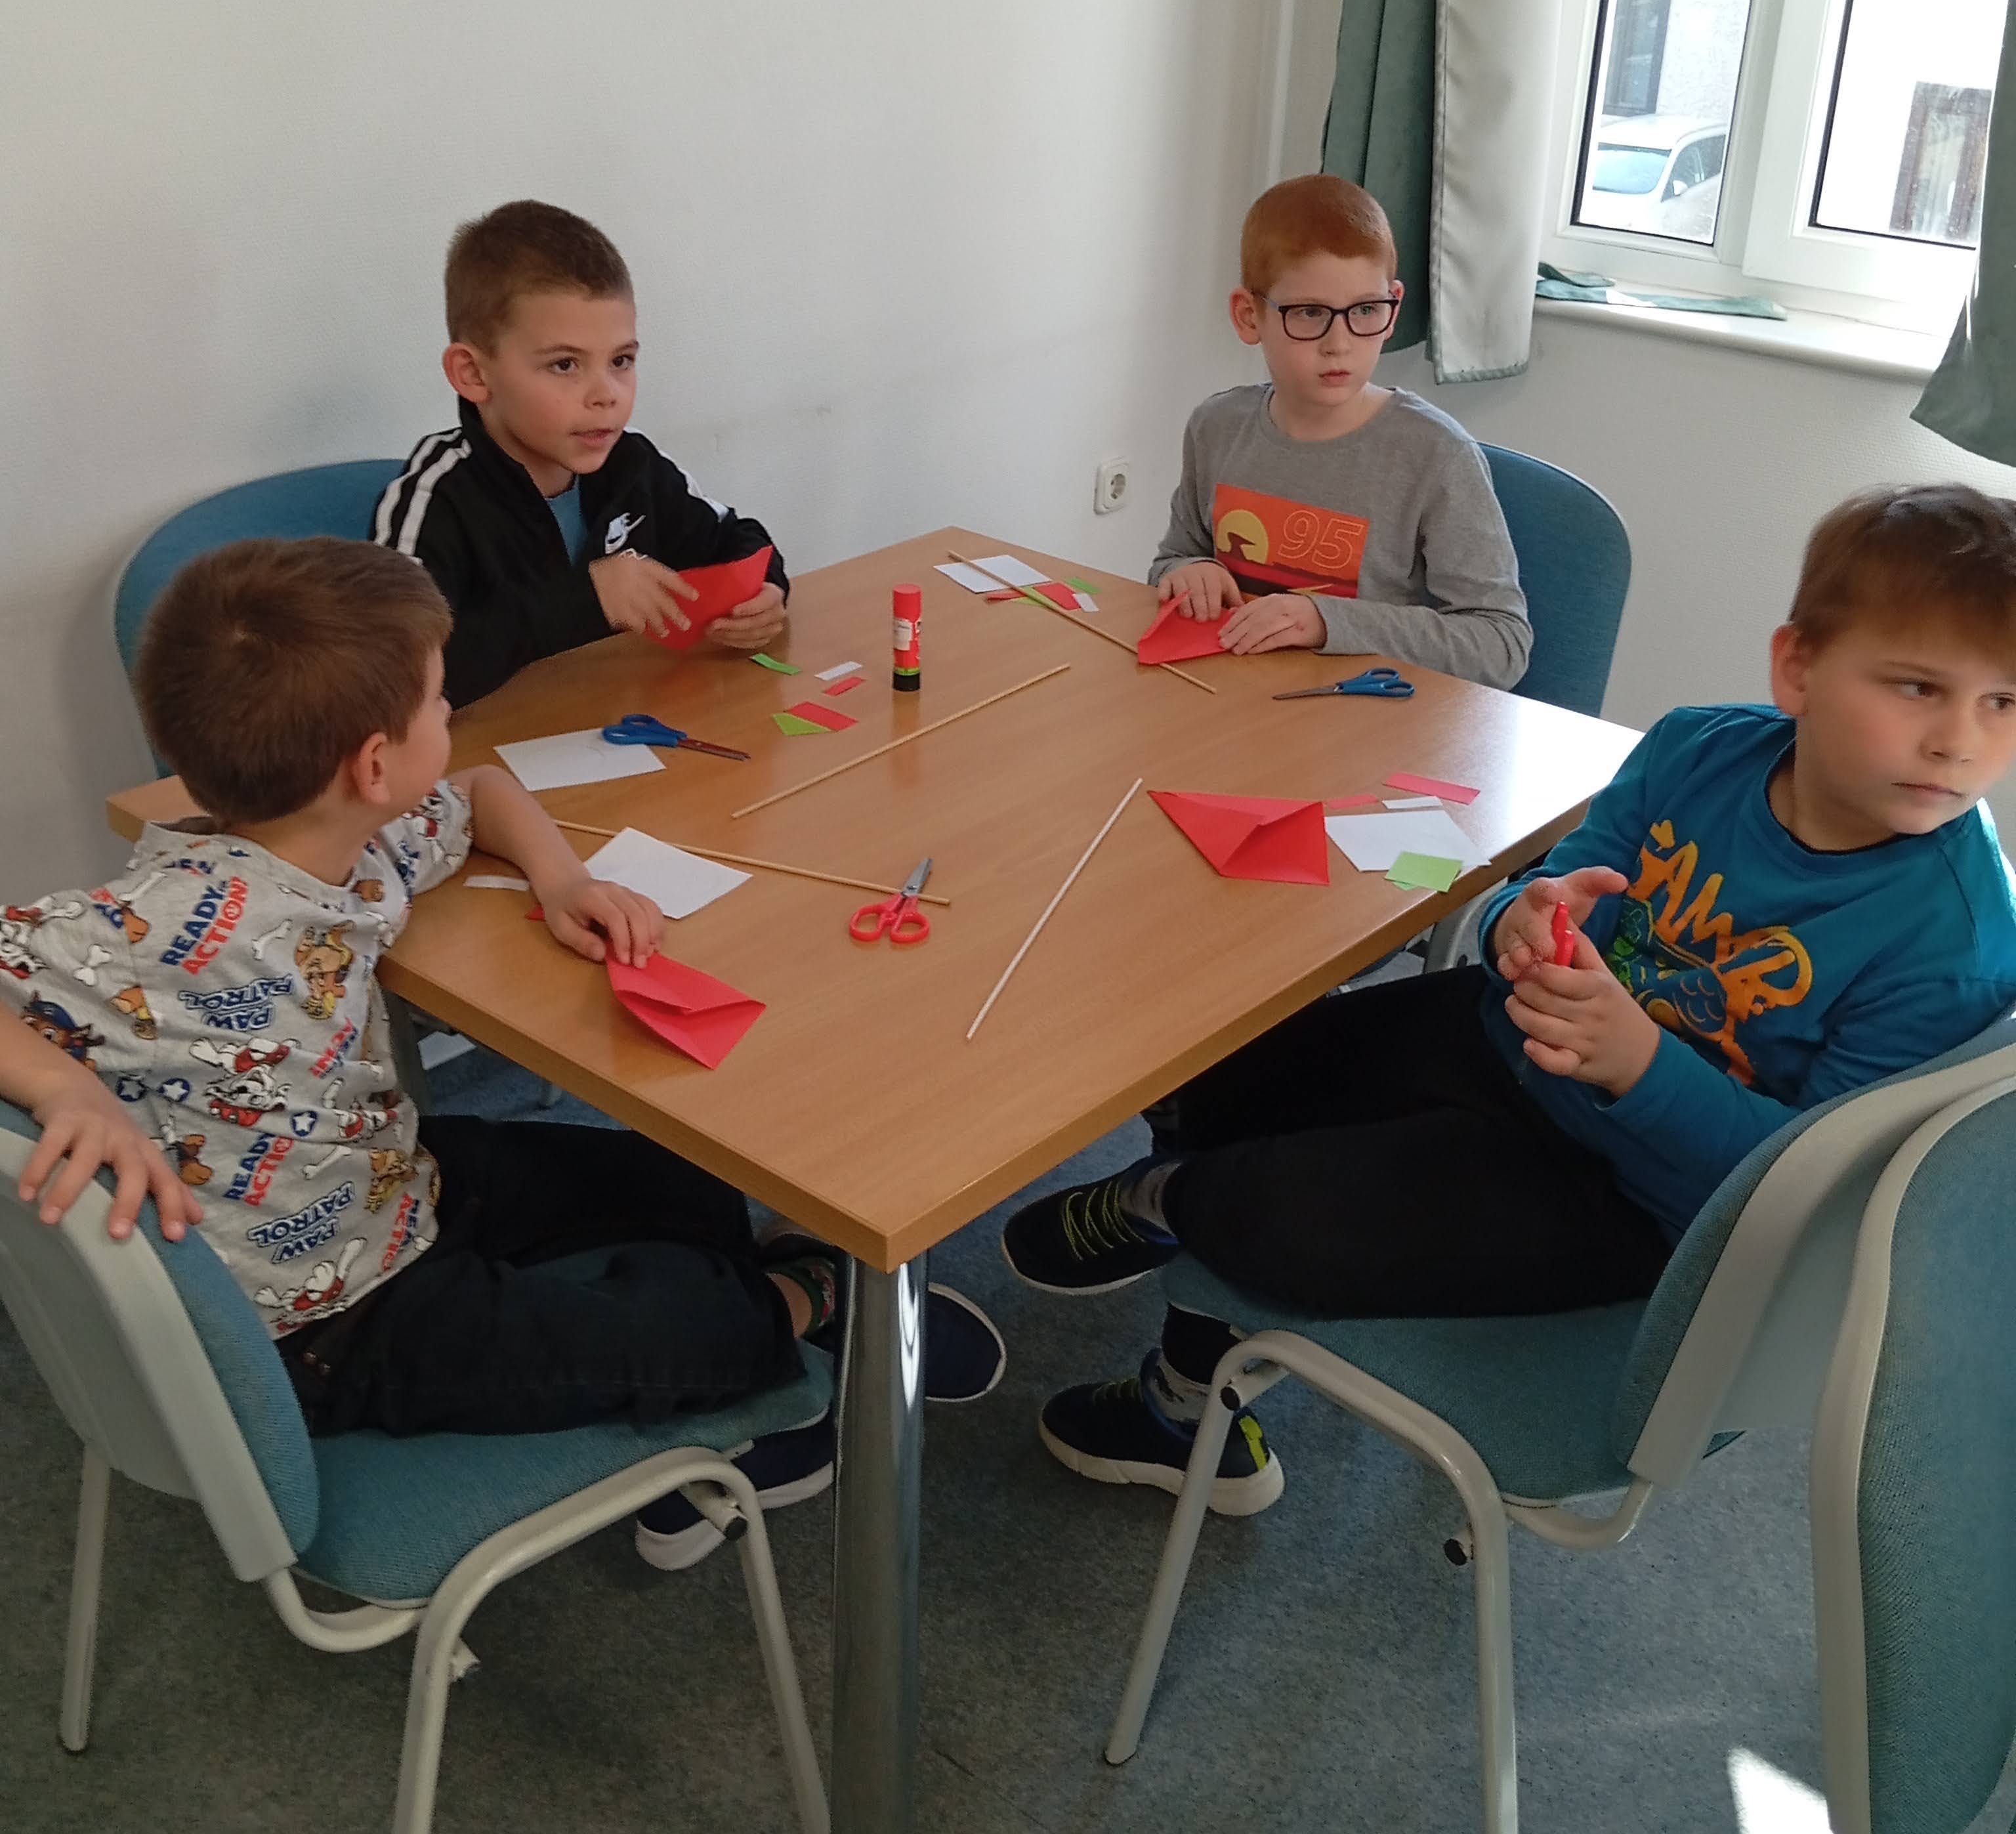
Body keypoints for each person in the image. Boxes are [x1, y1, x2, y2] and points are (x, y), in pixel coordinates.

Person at [1005, 482, 2016, 1515]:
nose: (1960, 742)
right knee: (1217, 1059)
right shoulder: (1696, 748)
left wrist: (1640, 1067)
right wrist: (1515, 925)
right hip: (1508, 1047)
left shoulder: (1954, 945)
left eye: (2005, 703)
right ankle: (1190, 1268)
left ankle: (1176, 1332)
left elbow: (1800, 1194)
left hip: (1638, 1199)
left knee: (1260, 1211)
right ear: (1798, 667)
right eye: (1918, 688)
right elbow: (1553, 886)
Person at [2, 537, 999, 1578]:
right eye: (439, 702)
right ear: (374, 765)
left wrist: (564, 880)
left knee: (679, 1180)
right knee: (701, 1323)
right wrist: (62, 1086)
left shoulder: (347, 833)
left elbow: (479, 789)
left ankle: (740, 1307)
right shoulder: (161, 928)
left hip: (390, 1186)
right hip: (332, 1328)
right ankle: (807, 1309)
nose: (453, 716)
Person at [373, 200, 789, 708]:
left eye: (621, 361)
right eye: (565, 365)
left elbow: (734, 537)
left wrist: (767, 589)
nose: (606, 395)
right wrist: (585, 600)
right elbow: (391, 676)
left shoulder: (633, 465)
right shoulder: (439, 497)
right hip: (489, 751)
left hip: (623, 729)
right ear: (474, 374)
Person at [1148, 173, 1530, 685]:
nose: (1339, 344)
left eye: (1366, 310)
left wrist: (1328, 623)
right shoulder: (1216, 428)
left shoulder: (1435, 455)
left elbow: (1501, 644)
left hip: (1365, 715)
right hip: (1233, 699)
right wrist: (1186, 573)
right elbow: (1175, 558)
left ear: (1393, 307)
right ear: (1248, 316)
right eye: (1309, 313)